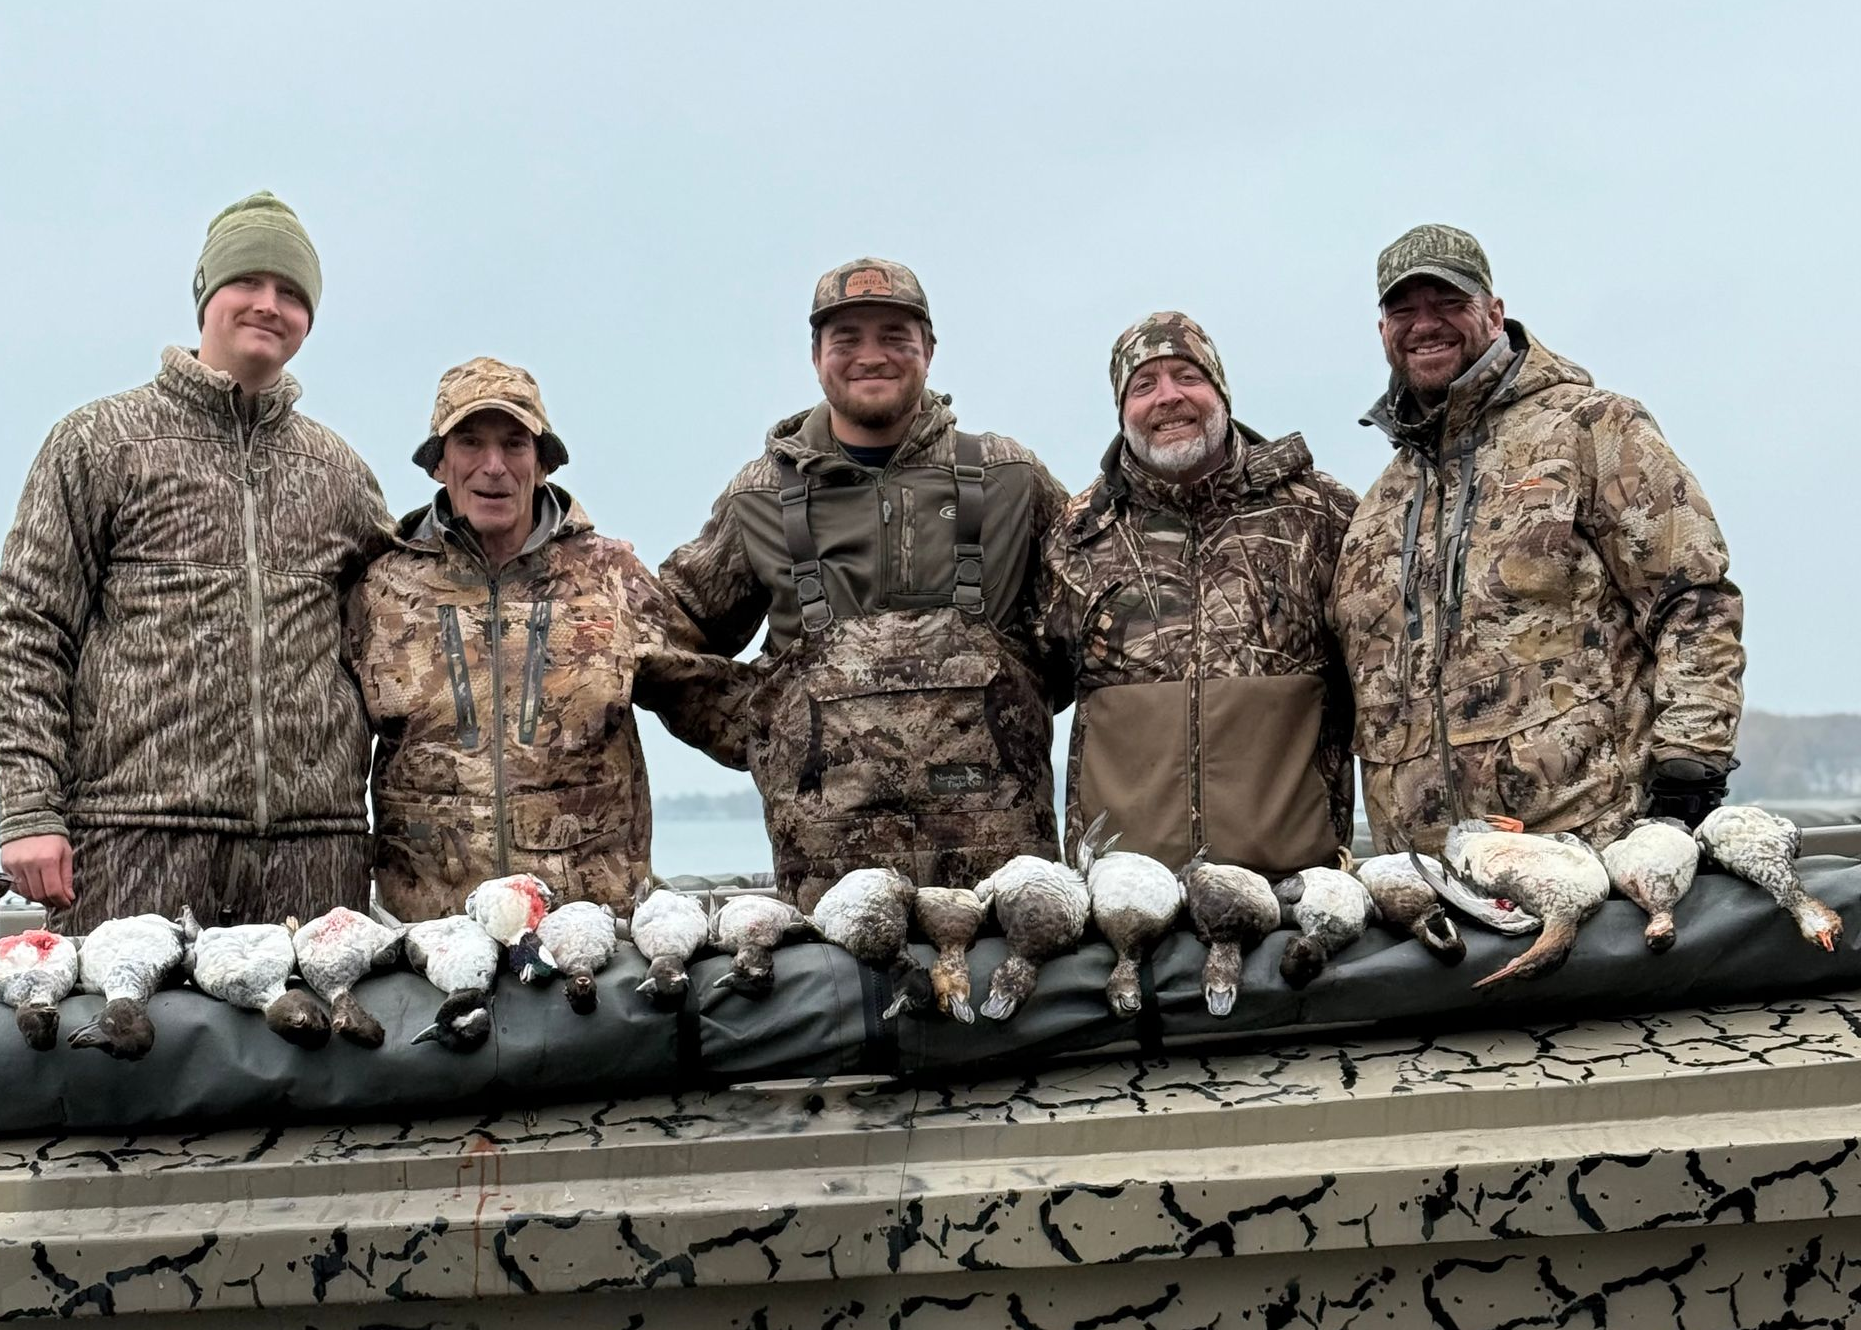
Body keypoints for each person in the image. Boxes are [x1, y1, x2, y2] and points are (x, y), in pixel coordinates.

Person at [0, 190, 390, 931]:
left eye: (292, 293)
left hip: (315, 858)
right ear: (206, 293)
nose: (269, 304)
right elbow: (28, 632)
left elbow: (399, 649)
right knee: (112, 1045)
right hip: (131, 842)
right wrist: (29, 808)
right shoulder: (100, 442)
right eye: (250, 282)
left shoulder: (343, 475)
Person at [659, 258, 1069, 910]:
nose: (871, 356)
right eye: (847, 339)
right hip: (831, 904)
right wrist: (762, 732)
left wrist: (1020, 694)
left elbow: (1091, 619)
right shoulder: (761, 496)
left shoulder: (1009, 478)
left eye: (895, 337)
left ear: (929, 351)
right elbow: (669, 628)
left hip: (1006, 900)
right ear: (816, 355)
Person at [1332, 224, 1745, 854]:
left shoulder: (1592, 428)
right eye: (1403, 308)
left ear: (1495, 314)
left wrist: (1690, 764)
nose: (1425, 323)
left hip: (1595, 853)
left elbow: (1693, 599)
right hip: (1429, 885)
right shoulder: (1381, 505)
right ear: (1382, 330)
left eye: (1448, 302)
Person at [348, 358, 735, 920]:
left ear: (543, 462)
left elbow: (716, 703)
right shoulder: (381, 589)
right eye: (470, 442)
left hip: (587, 933)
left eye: (515, 444)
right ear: (439, 464)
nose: (493, 466)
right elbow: (326, 739)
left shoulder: (609, 574)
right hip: (429, 939)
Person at [1041, 312, 1356, 871]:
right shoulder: (1077, 535)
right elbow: (1034, 690)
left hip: (1294, 889)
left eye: (1187, 377)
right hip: (1128, 896)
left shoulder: (1320, 513)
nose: (1168, 398)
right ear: (1122, 411)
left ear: (1221, 392)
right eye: (1144, 385)